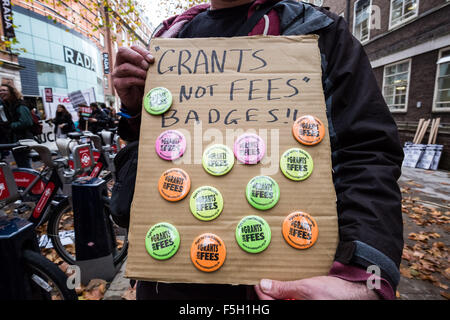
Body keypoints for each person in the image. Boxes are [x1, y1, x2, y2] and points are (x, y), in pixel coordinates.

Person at [112, 0, 404, 300]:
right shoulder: (168, 40)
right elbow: (158, 153)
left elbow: (368, 153)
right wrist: (135, 110)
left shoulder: (320, 32)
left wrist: (362, 276)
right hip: (171, 281)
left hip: (285, 283)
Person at [0, 84, 33, 168]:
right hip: (15, 140)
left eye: (4, 90)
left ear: (11, 92)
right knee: (21, 163)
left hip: (23, 140)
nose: (1, 92)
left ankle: (30, 179)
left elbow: (27, 122)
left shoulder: (20, 105)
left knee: (24, 164)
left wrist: (10, 125)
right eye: (0, 91)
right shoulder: (7, 105)